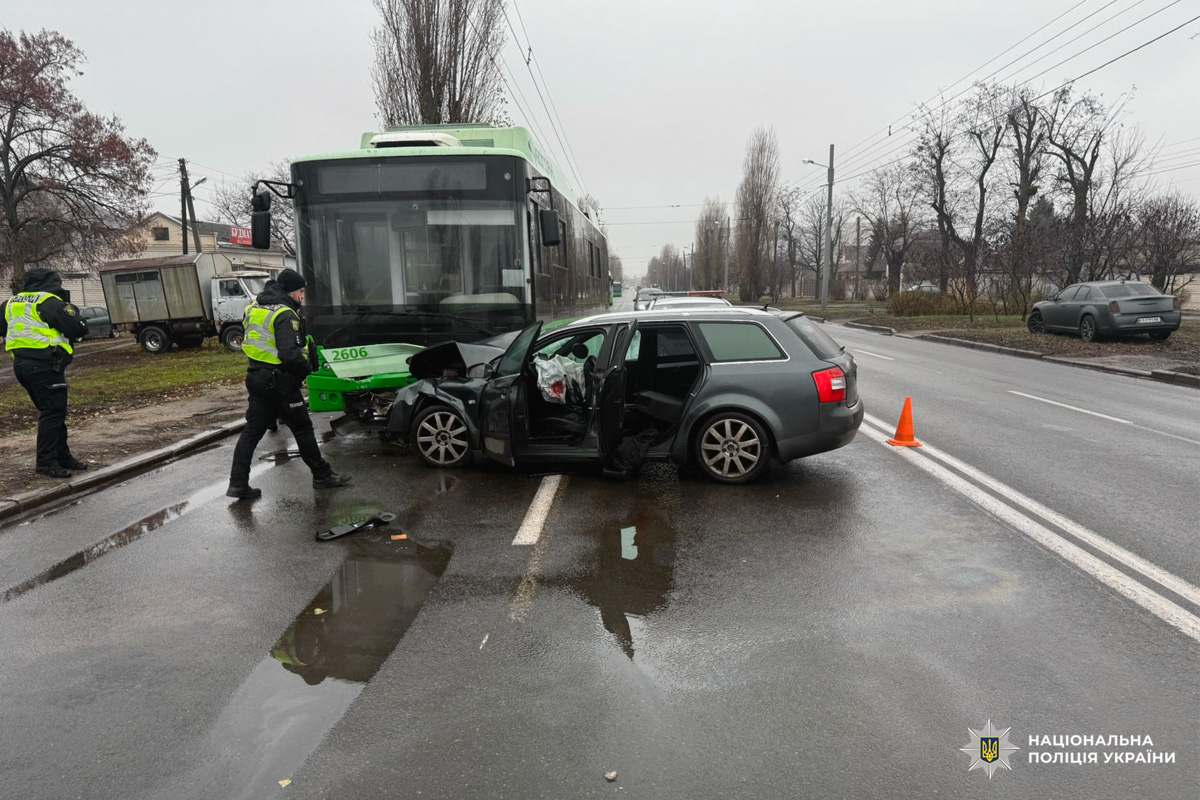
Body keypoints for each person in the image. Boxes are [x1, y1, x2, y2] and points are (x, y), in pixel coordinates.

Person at [227, 269, 350, 499]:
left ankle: (238, 483)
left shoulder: (254, 308)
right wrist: (306, 370)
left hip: (256, 376)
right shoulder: (285, 314)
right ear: (291, 291)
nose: (302, 296)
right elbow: (290, 354)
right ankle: (322, 475)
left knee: (251, 432)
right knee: (302, 428)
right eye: (301, 291)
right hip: (280, 381)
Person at [0, 268, 91, 478]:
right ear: (53, 283)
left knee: (53, 411)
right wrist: (69, 307)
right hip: (46, 365)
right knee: (52, 412)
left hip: (22, 365)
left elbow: (3, 328)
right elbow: (78, 328)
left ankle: (63, 457)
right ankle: (46, 462)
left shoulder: (10, 303)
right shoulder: (49, 302)